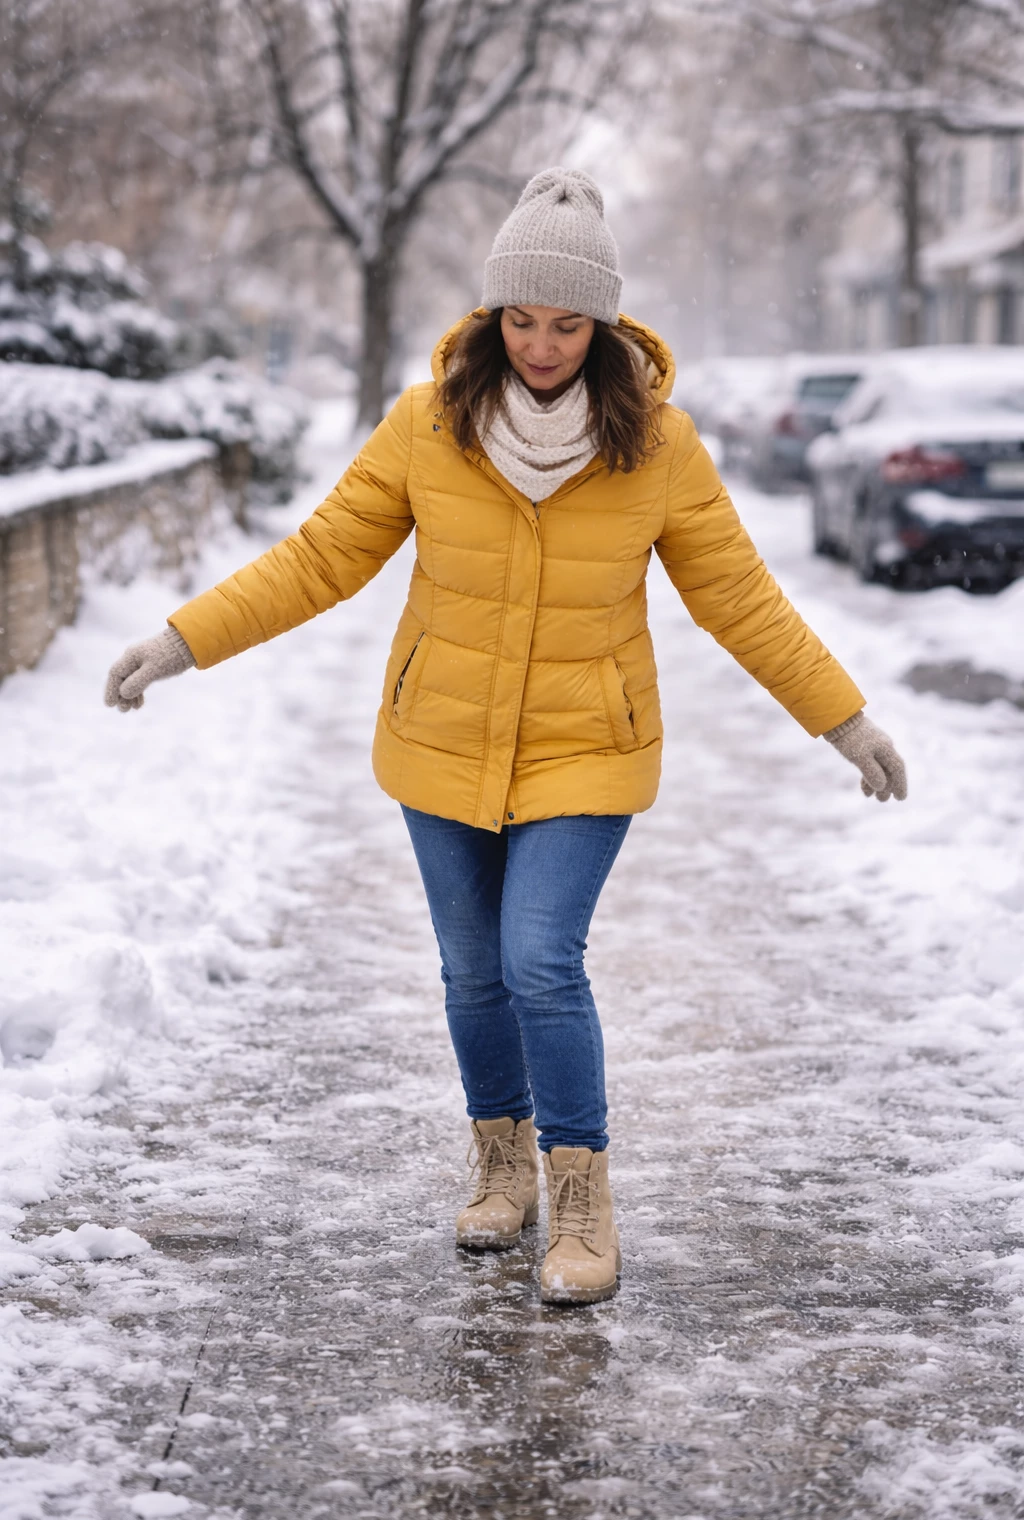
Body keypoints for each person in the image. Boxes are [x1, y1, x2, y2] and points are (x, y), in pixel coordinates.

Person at [105, 167, 907, 1307]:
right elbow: (320, 558)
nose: (540, 343)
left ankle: (580, 1190)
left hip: (588, 745)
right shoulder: (428, 423)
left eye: (565, 322)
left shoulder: (659, 446)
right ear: (491, 318)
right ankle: (500, 1165)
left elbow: (739, 597)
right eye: (519, 319)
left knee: (539, 957)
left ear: (605, 323)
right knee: (472, 971)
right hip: (439, 737)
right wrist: (184, 640)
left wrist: (844, 716)